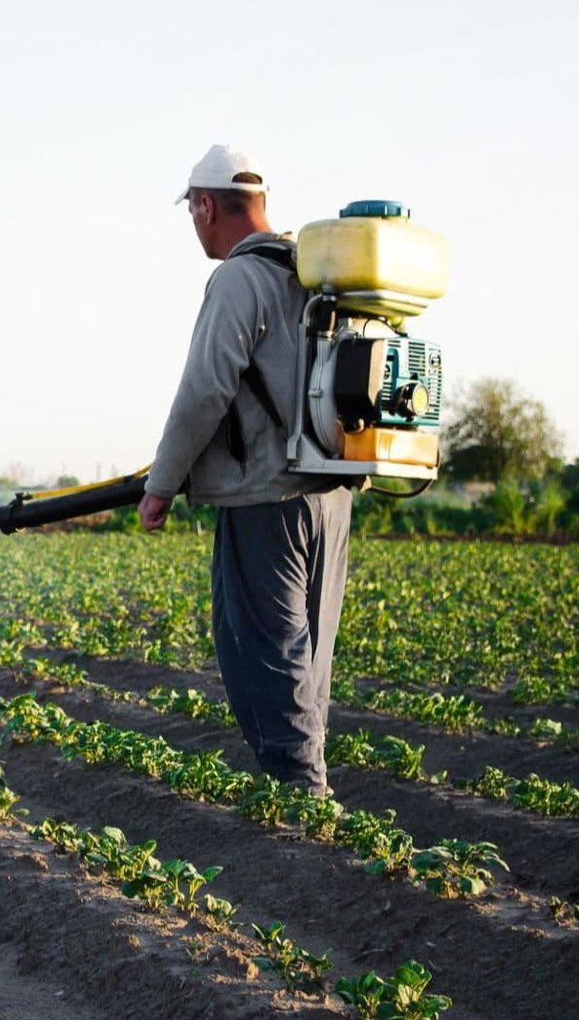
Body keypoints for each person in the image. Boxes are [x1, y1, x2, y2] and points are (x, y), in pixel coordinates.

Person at [138, 144, 353, 797]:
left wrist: (161, 485)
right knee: (307, 661)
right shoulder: (313, 273)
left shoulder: (238, 278)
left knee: (265, 654)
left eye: (192, 212)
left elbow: (205, 388)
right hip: (330, 494)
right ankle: (309, 801)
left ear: (205, 205)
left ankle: (304, 807)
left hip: (267, 498)